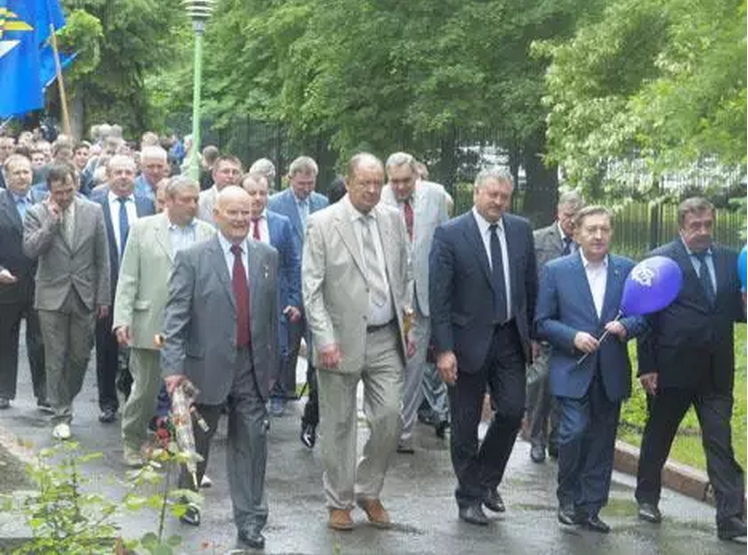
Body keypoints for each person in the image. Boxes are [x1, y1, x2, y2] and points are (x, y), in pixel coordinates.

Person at [160, 186, 279, 551]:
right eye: (233, 212)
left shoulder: (267, 256)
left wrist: (274, 367)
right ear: (216, 215)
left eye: (246, 212)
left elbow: (270, 317)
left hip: (251, 365)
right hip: (203, 366)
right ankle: (188, 496)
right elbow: (175, 317)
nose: (241, 219)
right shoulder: (192, 258)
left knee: (252, 444)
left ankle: (251, 520)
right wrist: (173, 368)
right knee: (198, 439)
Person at [303, 152, 414, 531]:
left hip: (385, 336)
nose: (372, 189)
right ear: (348, 182)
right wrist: (324, 339)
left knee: (390, 417)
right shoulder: (322, 223)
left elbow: (404, 275)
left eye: (377, 183)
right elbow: (311, 288)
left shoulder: (392, 219)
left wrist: (407, 325)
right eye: (364, 182)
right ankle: (339, 500)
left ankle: (368, 489)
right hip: (339, 339)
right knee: (338, 424)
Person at [429, 167, 537, 526]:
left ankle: (487, 480)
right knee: (465, 422)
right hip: (465, 342)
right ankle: (468, 497)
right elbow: (439, 297)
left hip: (509, 337)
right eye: (492, 194)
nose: (498, 202)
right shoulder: (450, 234)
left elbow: (530, 285)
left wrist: (532, 334)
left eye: (504, 196)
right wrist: (443, 349)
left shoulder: (520, 230)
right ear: (476, 193)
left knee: (512, 411)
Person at [635, 197, 746, 541]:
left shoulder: (729, 260)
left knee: (719, 441)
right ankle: (647, 498)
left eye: (708, 225)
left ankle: (730, 518)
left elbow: (736, 310)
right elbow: (646, 317)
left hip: (716, 370)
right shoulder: (661, 261)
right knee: (659, 435)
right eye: (695, 226)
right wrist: (647, 366)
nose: (703, 232)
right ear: (681, 227)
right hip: (672, 369)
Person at [535, 205, 646, 533]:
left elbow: (644, 316)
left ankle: (591, 506)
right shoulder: (557, 270)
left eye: (604, 229)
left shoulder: (626, 270)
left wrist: (626, 327)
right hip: (572, 369)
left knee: (601, 439)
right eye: (591, 229)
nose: (598, 236)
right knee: (574, 432)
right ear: (576, 233)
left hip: (610, 370)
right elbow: (541, 322)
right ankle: (568, 498)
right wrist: (573, 337)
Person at [113, 175, 214, 467]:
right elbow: (128, 277)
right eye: (186, 200)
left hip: (192, 327)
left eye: (196, 200)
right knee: (145, 389)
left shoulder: (207, 232)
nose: (193, 205)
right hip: (152, 325)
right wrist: (122, 319)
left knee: (187, 393)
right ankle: (132, 441)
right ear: (168, 201)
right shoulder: (142, 229)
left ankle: (180, 447)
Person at [23, 162, 110, 440]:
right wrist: (51, 223)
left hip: (84, 294)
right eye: (58, 192)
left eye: (69, 191)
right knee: (55, 356)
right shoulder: (36, 212)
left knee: (80, 356)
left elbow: (102, 258)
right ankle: (61, 414)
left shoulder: (93, 211)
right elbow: (30, 249)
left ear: (76, 185)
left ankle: (65, 397)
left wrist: (103, 296)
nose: (64, 197)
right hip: (51, 296)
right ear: (49, 190)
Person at [381, 152, 449, 452]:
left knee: (414, 366)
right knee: (387, 365)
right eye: (394, 181)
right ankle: (384, 425)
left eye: (406, 180)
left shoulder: (436, 196)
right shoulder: (378, 197)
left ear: (416, 176)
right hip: (387, 298)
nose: (400, 187)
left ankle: (404, 432)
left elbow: (444, 243)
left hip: (422, 298)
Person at [268, 156, 329, 446]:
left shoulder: (323, 203)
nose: (306, 188)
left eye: (310, 183)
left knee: (317, 341)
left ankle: (318, 396)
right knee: (288, 343)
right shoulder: (275, 204)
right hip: (290, 282)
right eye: (301, 183)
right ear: (290, 179)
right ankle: (281, 392)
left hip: (318, 282)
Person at [90, 156, 155, 423]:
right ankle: (108, 402)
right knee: (106, 348)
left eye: (129, 172)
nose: (124, 177)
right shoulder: (95, 205)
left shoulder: (147, 204)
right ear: (108, 175)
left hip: (140, 288)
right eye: (118, 172)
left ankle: (132, 398)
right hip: (107, 287)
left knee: (137, 346)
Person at [526, 190, 585, 463]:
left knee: (566, 384)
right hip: (543, 324)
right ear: (558, 213)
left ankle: (557, 439)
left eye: (577, 216)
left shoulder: (586, 243)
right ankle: (536, 437)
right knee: (541, 383)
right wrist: (530, 333)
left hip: (574, 327)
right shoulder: (538, 240)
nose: (572, 221)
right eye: (568, 215)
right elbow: (528, 286)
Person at [242, 172, 302, 417]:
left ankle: (277, 393)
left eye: (263, 193)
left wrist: (295, 300)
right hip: (244, 295)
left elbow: (292, 263)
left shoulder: (281, 223)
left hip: (276, 298)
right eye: (252, 193)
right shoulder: (236, 222)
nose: (258, 198)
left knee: (279, 348)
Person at [0, 154, 48, 410]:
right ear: (6, 177)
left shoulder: (44, 201)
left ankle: (45, 394)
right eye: (16, 172)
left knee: (40, 340)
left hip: (40, 282)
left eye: (26, 172)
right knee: (5, 338)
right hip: (7, 282)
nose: (22, 177)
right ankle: (3, 391)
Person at [197, 155, 243, 224]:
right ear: (214, 175)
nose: (231, 176)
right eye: (226, 172)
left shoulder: (246, 201)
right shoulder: (200, 201)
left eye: (235, 172)